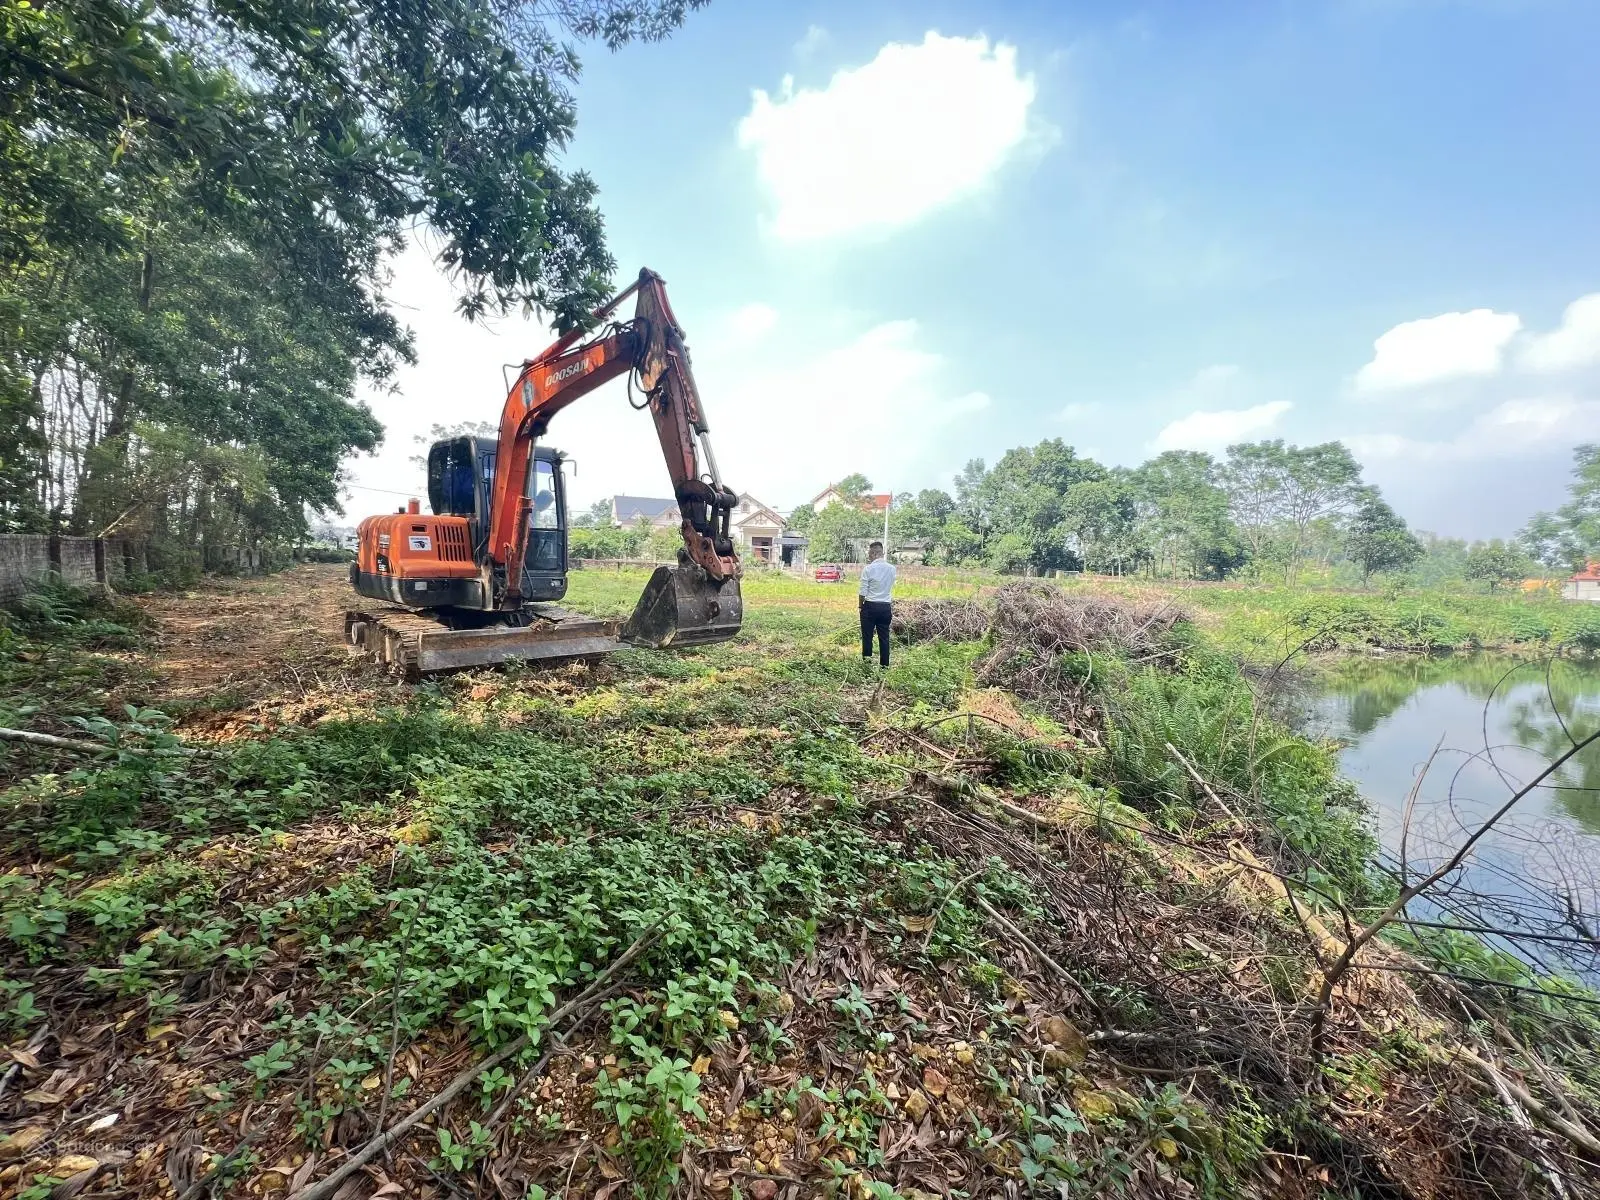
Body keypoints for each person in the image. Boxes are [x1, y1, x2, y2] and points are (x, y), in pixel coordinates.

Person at [858, 541, 896, 667]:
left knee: (867, 636)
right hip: (885, 607)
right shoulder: (892, 569)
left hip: (870, 606)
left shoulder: (868, 569)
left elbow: (863, 592)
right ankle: (884, 666)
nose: (869, 555)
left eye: (869, 553)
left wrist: (860, 606)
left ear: (874, 553)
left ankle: (867, 665)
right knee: (884, 637)